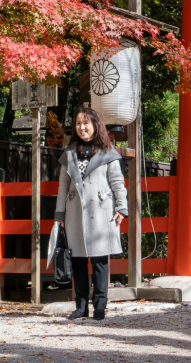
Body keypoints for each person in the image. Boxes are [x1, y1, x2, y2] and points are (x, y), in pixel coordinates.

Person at [54, 105, 128, 320]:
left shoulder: (108, 152)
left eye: (86, 123)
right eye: (78, 123)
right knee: (77, 260)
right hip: (74, 212)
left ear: (96, 125)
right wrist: (60, 215)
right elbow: (62, 186)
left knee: (99, 262)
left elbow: (117, 182)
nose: (82, 127)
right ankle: (80, 306)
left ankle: (99, 308)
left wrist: (121, 209)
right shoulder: (69, 154)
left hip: (102, 211)